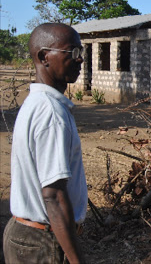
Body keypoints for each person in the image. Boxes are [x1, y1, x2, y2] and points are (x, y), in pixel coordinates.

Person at [3, 23, 88, 263]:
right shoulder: (50, 113)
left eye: (81, 52)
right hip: (40, 242)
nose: (80, 60)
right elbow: (53, 195)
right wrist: (75, 259)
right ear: (44, 57)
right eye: (73, 52)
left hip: (27, 235)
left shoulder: (36, 103)